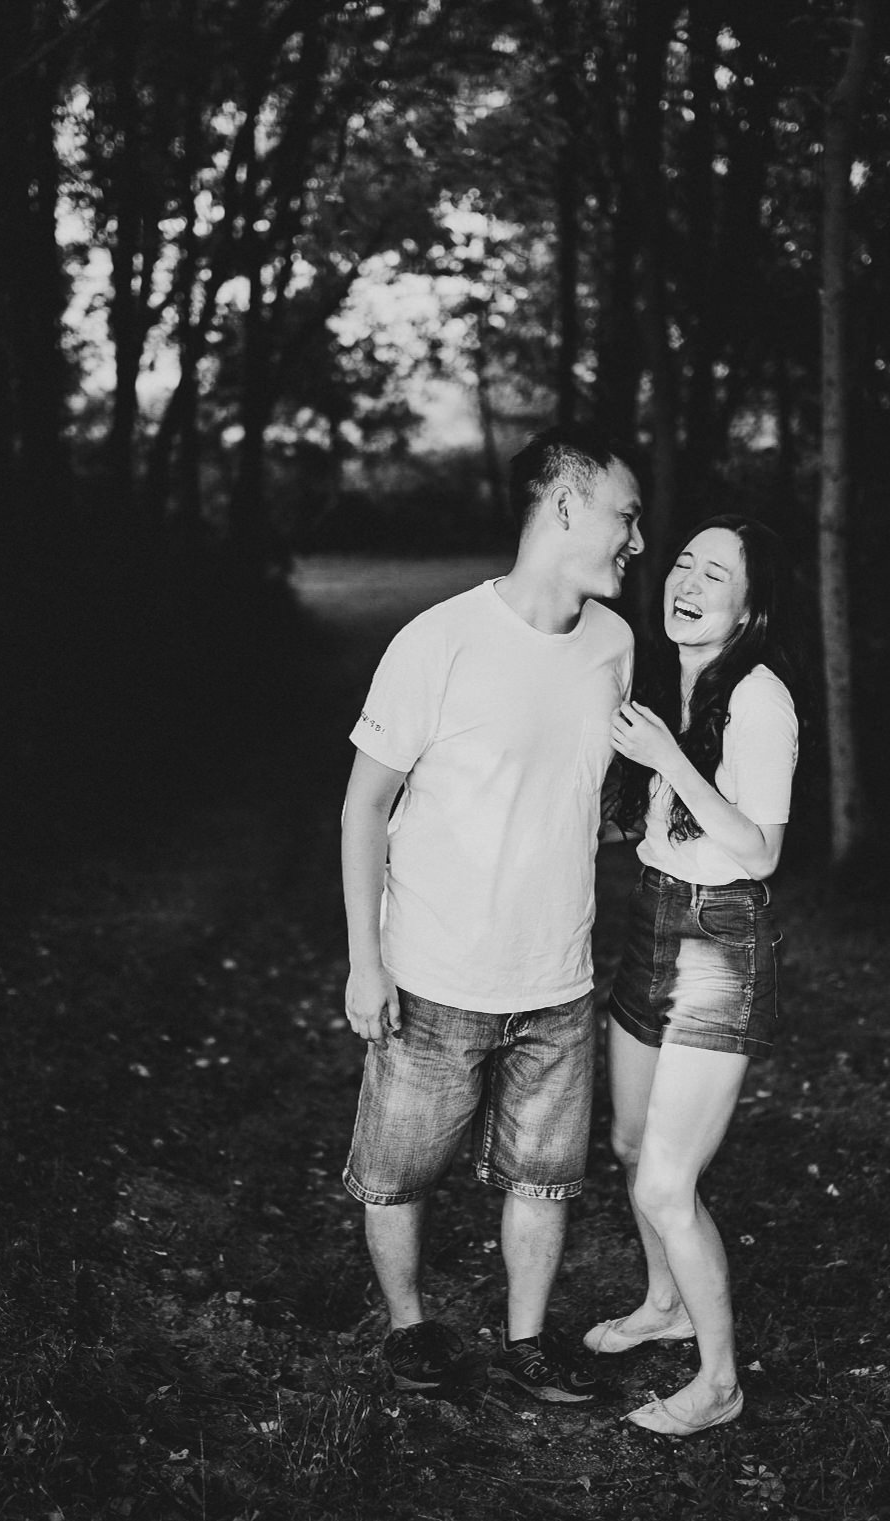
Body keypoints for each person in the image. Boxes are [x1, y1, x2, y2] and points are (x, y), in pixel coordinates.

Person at [339, 423, 642, 1403]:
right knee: (397, 1172)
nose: (637, 541)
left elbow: (583, 794)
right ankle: (410, 1329)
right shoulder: (437, 642)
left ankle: (523, 1342)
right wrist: (364, 961)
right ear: (565, 508)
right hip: (435, 972)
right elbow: (361, 807)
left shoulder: (615, 644)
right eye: (624, 517)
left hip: (558, 973)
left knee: (544, 1178)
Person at [583, 514, 798, 1437]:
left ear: (749, 607)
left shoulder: (760, 700)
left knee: (668, 1182)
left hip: (720, 937)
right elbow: (644, 823)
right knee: (632, 1146)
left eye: (717, 574)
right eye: (682, 563)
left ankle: (719, 1382)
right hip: (652, 920)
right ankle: (664, 1304)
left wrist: (670, 757)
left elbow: (761, 851)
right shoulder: (666, 680)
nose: (689, 582)